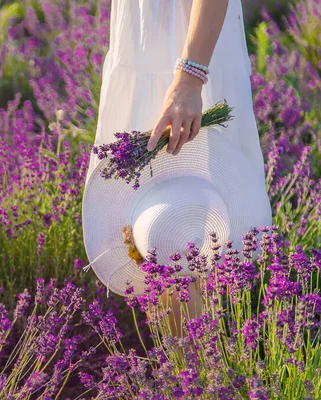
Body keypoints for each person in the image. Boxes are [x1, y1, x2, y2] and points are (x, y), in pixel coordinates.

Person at [84, 0, 269, 338]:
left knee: (189, 222)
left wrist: (189, 78)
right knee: (152, 232)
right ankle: (193, 373)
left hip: (185, 51)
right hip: (143, 45)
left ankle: (202, 377)